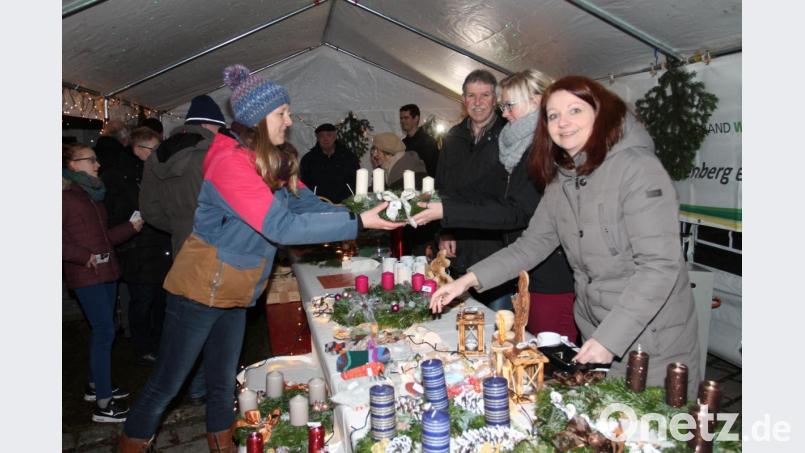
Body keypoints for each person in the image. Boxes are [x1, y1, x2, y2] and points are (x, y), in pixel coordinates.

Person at [118, 64, 400, 452]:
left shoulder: (262, 161)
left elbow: (299, 208)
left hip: (236, 288)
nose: (289, 120)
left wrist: (358, 213)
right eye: (282, 113)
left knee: (222, 383)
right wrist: (357, 222)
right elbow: (281, 228)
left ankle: (224, 445)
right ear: (258, 117)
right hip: (201, 290)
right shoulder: (229, 161)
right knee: (166, 383)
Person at [429, 76, 699, 397]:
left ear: (600, 114)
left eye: (575, 110)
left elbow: (660, 267)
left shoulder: (637, 168)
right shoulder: (564, 177)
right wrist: (468, 280)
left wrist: (609, 340)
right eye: (553, 115)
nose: (563, 122)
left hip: (652, 340)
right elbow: (533, 244)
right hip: (596, 332)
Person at [413, 70, 576, 334]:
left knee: (542, 350)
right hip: (518, 260)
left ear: (536, 102)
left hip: (542, 268)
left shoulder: (541, 149)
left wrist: (446, 211)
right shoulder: (510, 142)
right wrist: (447, 223)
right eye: (503, 105)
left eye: (507, 104)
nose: (504, 113)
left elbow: (516, 211)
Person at [138, 94, 229, 405]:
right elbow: (230, 204)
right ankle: (206, 389)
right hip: (217, 249)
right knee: (217, 323)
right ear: (209, 125)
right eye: (219, 127)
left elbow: (149, 211)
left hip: (182, 250)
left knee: (191, 322)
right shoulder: (214, 153)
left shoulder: (156, 156)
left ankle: (194, 386)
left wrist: (180, 227)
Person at [62, 143, 143, 423]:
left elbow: (102, 238)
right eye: (91, 160)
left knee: (104, 331)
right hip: (87, 275)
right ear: (73, 164)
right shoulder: (65, 196)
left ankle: (96, 386)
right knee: (104, 331)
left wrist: (129, 229)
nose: (98, 165)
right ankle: (104, 406)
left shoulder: (91, 195)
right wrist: (83, 256)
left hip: (105, 271)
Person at [432, 69, 510, 307]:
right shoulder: (454, 136)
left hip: (497, 246)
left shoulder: (509, 134)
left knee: (499, 326)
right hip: (460, 245)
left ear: (495, 99)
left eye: (484, 95)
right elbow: (442, 187)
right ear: (463, 100)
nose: (477, 103)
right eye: (471, 96)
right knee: (463, 319)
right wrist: (444, 232)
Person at [119, 127, 173, 367]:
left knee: (161, 300)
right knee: (142, 302)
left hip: (158, 247)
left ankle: (161, 344)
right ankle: (142, 347)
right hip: (138, 250)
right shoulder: (124, 175)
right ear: (139, 149)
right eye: (153, 148)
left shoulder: (155, 170)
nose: (158, 152)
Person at [299, 123, 359, 203]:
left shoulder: (348, 156)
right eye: (322, 136)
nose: (325, 139)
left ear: (335, 137)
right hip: (318, 203)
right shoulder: (308, 159)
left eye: (329, 135)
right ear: (317, 138)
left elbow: (356, 178)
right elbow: (304, 183)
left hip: (346, 202)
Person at [400, 104, 439, 177]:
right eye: (401, 118)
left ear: (416, 118)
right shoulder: (403, 143)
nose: (402, 121)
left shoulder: (428, 142)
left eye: (406, 118)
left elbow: (433, 170)